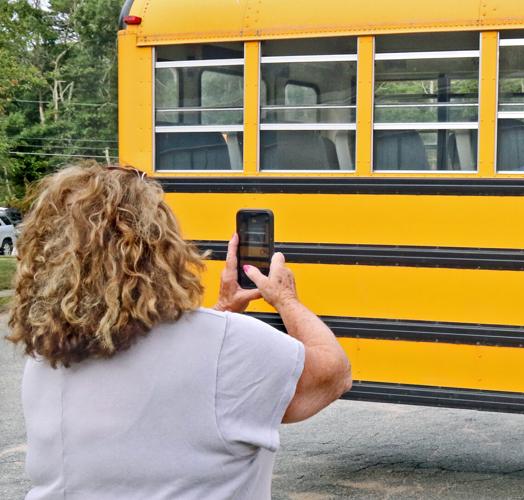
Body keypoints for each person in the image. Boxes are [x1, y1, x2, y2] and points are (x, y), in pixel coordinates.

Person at [7, 162, 352, 500]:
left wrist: (222, 312)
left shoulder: (45, 359)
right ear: (159, 245)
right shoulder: (228, 348)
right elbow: (333, 374)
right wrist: (285, 299)